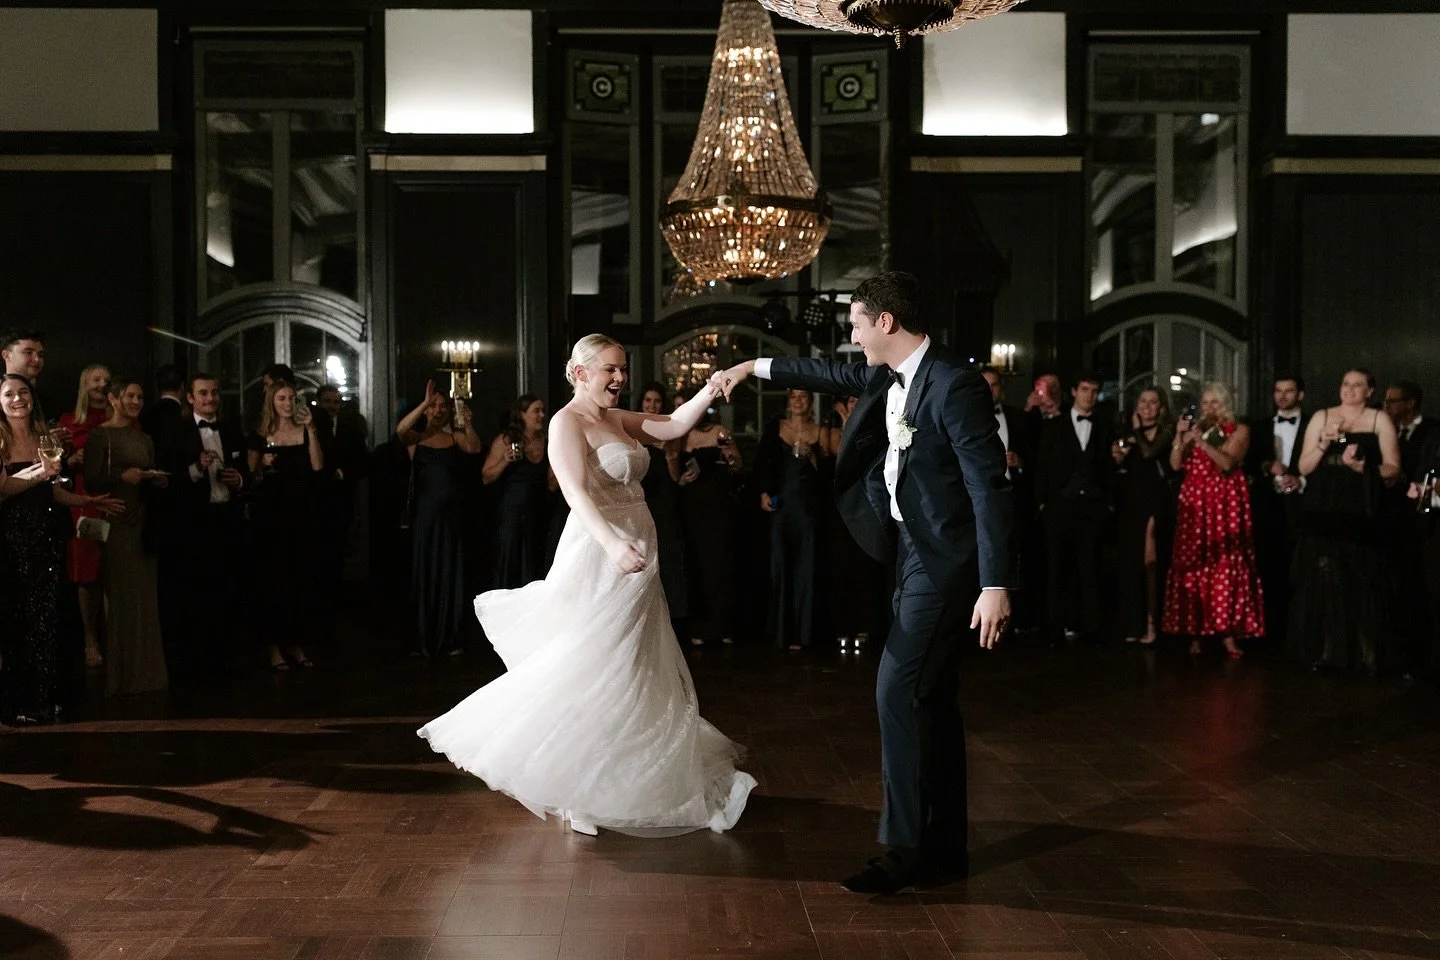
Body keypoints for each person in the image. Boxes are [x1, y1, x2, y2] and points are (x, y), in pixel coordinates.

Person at [715, 271, 1014, 894]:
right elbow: (826, 374)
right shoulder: (887, 375)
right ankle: (944, 846)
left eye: (854, 322)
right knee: (930, 701)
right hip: (909, 554)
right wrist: (753, 367)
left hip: (946, 565)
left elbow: (988, 488)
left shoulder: (955, 385)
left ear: (885, 322)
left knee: (895, 692)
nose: (849, 335)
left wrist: (995, 583)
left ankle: (904, 849)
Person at [419, 334, 757, 837]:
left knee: (637, 664)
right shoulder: (566, 422)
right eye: (610, 371)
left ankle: (624, 775)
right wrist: (614, 545)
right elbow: (576, 493)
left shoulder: (616, 419)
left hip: (640, 552)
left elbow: (675, 426)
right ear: (580, 373)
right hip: (601, 554)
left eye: (623, 370)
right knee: (599, 662)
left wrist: (718, 384)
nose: (620, 379)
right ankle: (577, 787)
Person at [0, 374, 123, 724]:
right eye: (9, 394)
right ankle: (22, 702)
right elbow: (4, 488)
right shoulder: (0, 438)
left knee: (51, 615)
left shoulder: (45, 437)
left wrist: (86, 500)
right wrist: (41, 472)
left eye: (23, 392)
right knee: (21, 617)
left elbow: (53, 490)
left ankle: (48, 697)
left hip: (48, 534)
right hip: (14, 537)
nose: (17, 399)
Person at [1291, 369, 1402, 674]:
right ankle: (1327, 652)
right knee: (1326, 579)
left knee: (1363, 580)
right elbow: (1304, 466)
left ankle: (1365, 655)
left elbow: (1393, 468)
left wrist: (1363, 468)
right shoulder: (1321, 416)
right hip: (1324, 508)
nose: (1350, 390)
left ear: (1370, 391)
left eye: (1357, 386)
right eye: (1345, 384)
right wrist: (1324, 443)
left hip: (1361, 510)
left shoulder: (1379, 419)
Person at [152, 373, 251, 678]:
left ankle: (224, 657)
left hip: (227, 520)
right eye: (204, 394)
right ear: (190, 398)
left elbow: (245, 468)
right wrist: (196, 469)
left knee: (227, 588)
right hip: (194, 524)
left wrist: (240, 480)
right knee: (194, 590)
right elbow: (166, 478)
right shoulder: (176, 431)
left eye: (215, 393)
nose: (211, 399)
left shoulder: (232, 429)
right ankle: (194, 660)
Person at [1163, 381, 1264, 658]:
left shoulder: (1240, 429)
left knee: (1225, 560)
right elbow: (1174, 464)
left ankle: (1228, 633)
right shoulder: (1195, 429)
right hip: (1195, 499)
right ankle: (1195, 630)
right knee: (1194, 561)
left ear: (1226, 405)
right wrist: (1179, 437)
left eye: (1214, 403)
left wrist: (1201, 442)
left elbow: (1227, 463)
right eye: (1205, 403)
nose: (1209, 408)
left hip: (1224, 500)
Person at [82, 378, 169, 697]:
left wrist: (153, 480)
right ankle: (121, 677)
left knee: (145, 599)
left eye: (140, 396)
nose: (135, 401)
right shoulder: (100, 435)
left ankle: (146, 676)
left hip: (142, 520)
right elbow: (91, 482)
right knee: (120, 599)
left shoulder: (144, 438)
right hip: (117, 520)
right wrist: (121, 476)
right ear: (114, 399)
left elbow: (146, 473)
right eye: (130, 396)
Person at [397, 382, 483, 657]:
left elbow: (474, 448)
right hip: (425, 519)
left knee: (449, 574)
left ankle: (450, 637)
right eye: (433, 406)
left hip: (451, 519)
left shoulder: (456, 438)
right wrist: (423, 403)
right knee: (427, 574)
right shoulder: (417, 440)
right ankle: (425, 637)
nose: (437, 410)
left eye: (441, 406)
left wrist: (467, 423)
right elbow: (400, 431)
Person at [247, 381, 324, 670]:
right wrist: (261, 465)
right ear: (272, 401)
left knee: (299, 580)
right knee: (272, 582)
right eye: (282, 398)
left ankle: (296, 643)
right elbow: (250, 476)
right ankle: (273, 647)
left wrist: (313, 429)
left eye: (292, 397)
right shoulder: (261, 434)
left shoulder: (305, 430)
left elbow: (317, 466)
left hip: (301, 515)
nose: (288, 403)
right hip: (270, 517)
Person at [1034, 372, 1113, 642]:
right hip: (1059, 506)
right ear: (1074, 391)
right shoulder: (1054, 426)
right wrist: (1043, 503)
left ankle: (1088, 624)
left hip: (1092, 507)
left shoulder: (1104, 426)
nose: (1089, 395)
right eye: (1085, 389)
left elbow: (1108, 468)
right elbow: (1041, 466)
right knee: (1057, 567)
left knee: (1089, 566)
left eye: (1094, 390)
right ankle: (1056, 624)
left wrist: (1108, 503)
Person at [755, 388, 823, 650]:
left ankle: (802, 635)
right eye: (793, 397)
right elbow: (763, 463)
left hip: (807, 507)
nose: (797, 401)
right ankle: (779, 633)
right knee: (779, 566)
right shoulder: (776, 428)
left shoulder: (818, 430)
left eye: (803, 396)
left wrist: (812, 456)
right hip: (781, 505)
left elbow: (827, 474)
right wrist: (763, 492)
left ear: (810, 402)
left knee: (806, 568)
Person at [676, 389, 742, 646]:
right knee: (695, 565)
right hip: (691, 508)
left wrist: (731, 458)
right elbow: (672, 471)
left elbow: (737, 465)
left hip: (718, 506)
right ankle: (698, 628)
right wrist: (681, 479)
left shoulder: (719, 431)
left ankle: (722, 626)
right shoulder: (678, 434)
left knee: (720, 565)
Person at [1110, 387, 1175, 644]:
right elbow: (1123, 467)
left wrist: (1137, 431)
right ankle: (1133, 623)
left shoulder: (1166, 432)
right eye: (1143, 402)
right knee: (1129, 563)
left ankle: (1152, 623)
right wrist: (1117, 458)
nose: (1148, 407)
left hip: (1154, 502)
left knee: (1151, 563)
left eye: (1153, 402)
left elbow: (1149, 452)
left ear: (1161, 407)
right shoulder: (1126, 433)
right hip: (1130, 502)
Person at [58, 363, 113, 667]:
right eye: (96, 379)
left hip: (117, 500)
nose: (102, 384)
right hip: (83, 501)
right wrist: (72, 459)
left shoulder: (121, 419)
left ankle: (116, 640)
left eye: (106, 380)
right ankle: (89, 640)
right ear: (85, 384)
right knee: (87, 572)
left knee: (115, 571)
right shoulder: (69, 422)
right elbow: (58, 468)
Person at [1246, 375, 1307, 645]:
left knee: (1299, 569)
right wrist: (1266, 466)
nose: (1282, 396)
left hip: (1302, 506)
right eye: (1278, 391)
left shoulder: (1313, 425)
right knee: (1267, 567)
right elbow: (1247, 463)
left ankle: (1298, 632)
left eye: (1289, 391)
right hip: (1266, 507)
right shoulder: (1258, 427)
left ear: (1300, 395)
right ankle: (1269, 632)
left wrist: (1301, 481)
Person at [482, 394, 555, 589]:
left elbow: (551, 484)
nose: (541, 415)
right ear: (522, 415)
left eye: (543, 411)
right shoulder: (506, 440)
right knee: (511, 565)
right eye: (536, 411)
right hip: (511, 515)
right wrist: (505, 460)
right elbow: (486, 476)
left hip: (538, 515)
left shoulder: (548, 442)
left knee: (534, 566)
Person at [637, 381, 691, 627]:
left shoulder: (671, 430)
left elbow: (675, 476)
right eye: (648, 401)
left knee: (668, 557)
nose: (652, 405)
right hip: (641, 498)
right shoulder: (633, 429)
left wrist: (668, 451)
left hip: (665, 500)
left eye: (657, 401)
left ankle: (672, 617)